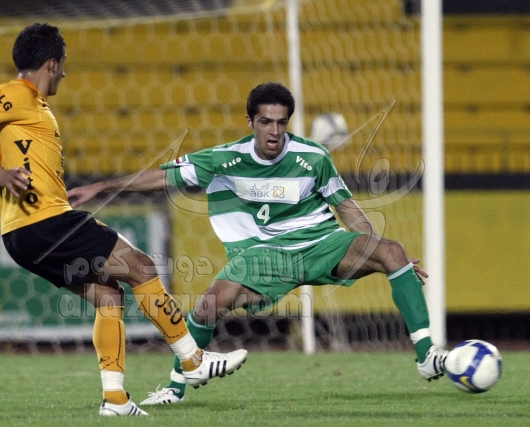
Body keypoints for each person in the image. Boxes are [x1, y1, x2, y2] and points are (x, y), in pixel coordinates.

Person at [68, 81, 451, 405]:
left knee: (393, 251)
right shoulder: (225, 159)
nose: (274, 131)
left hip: (320, 244)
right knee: (208, 306)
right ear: (250, 122)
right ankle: (175, 388)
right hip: (262, 256)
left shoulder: (314, 157)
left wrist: (380, 252)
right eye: (266, 121)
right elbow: (161, 178)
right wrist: (103, 186)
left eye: (281, 122)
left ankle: (427, 356)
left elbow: (346, 208)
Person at [0, 23, 247, 416]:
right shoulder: (17, 93)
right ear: (51, 63)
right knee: (141, 266)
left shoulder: (34, 106)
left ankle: (115, 399)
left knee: (109, 296)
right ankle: (193, 361)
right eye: (63, 64)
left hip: (20, 233)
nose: (65, 73)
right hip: (45, 222)